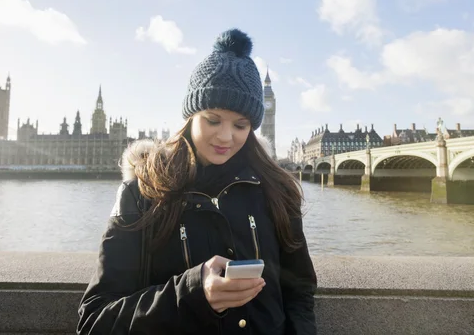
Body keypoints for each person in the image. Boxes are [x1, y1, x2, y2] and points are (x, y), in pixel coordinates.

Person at [77, 28, 317, 334]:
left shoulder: (276, 191)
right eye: (213, 120)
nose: (226, 137)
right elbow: (94, 321)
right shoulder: (142, 192)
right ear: (191, 115)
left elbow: (299, 294)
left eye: (241, 125)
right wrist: (192, 292)